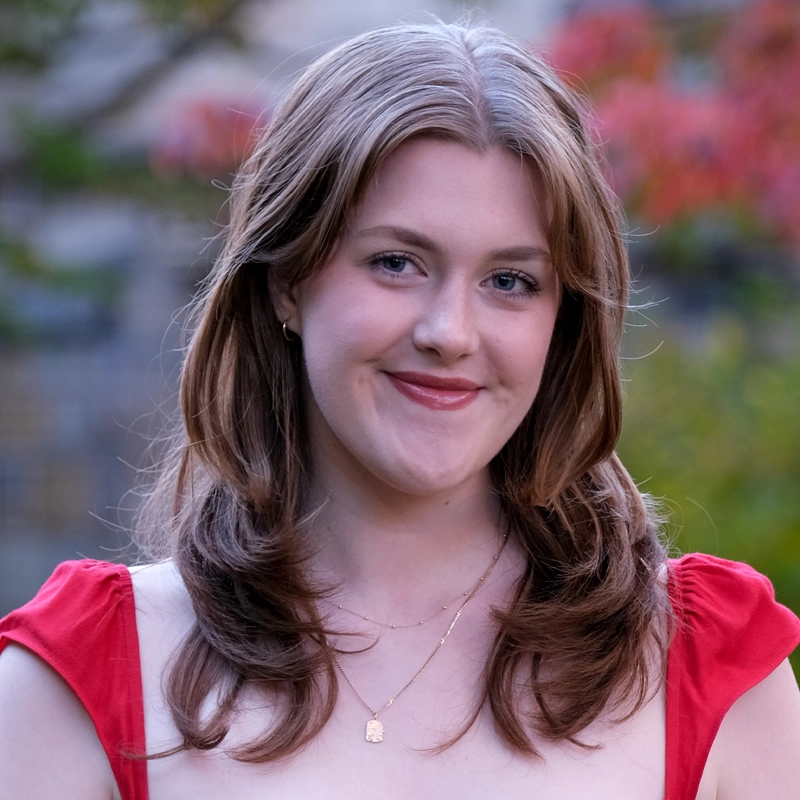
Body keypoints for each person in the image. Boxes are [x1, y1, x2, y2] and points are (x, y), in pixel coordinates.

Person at [1, 19, 799, 800]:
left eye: (510, 280)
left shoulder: (712, 671)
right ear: (288, 280)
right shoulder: (82, 678)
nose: (449, 332)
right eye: (396, 263)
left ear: (563, 320)